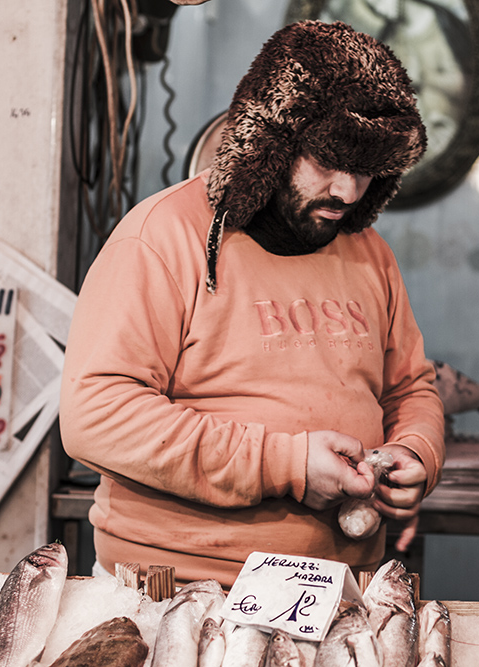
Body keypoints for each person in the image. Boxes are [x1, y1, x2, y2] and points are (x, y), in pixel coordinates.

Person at [59, 20, 445, 587]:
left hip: (340, 591)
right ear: (272, 143)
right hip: (181, 589)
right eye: (326, 161)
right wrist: (283, 465)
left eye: (365, 170)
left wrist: (417, 452)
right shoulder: (160, 237)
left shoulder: (369, 253)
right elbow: (96, 415)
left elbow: (410, 387)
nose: (347, 191)